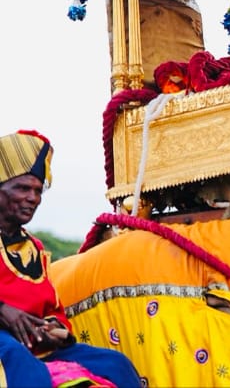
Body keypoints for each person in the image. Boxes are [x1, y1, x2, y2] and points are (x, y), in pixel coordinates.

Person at [0, 130, 142, 388]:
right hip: (7, 345)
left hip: (34, 346)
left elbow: (52, 310)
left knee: (115, 364)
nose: (33, 198)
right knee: (19, 361)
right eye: (22, 188)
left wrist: (55, 330)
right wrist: (3, 311)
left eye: (38, 190)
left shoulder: (34, 248)